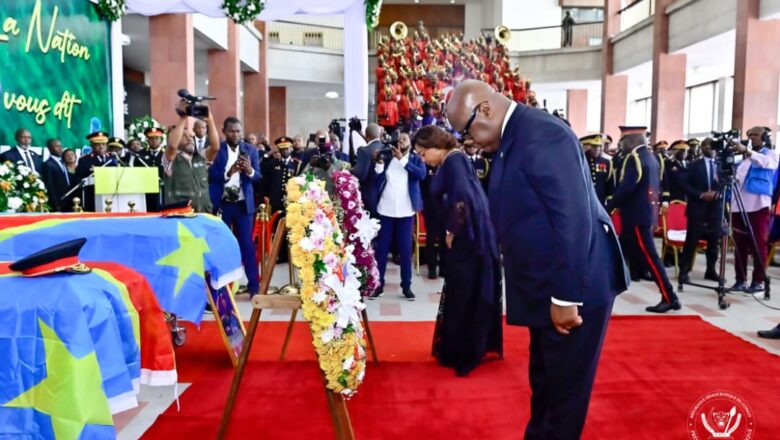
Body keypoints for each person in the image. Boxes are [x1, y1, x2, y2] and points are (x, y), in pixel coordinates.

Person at [446, 80, 627, 439]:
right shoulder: (517, 134)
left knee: (562, 397)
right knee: (545, 382)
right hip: (547, 281)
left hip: (574, 285)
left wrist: (565, 297)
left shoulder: (542, 135)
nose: (470, 142)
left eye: (467, 132)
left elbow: (573, 219)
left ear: (486, 109)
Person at [412, 125, 503, 376]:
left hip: (468, 240)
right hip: (471, 236)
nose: (422, 159)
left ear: (435, 146)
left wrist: (452, 229)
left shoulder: (454, 162)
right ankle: (461, 347)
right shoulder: (455, 159)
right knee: (462, 290)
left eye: (423, 154)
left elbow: (461, 197)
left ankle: (465, 351)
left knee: (465, 292)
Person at [606, 126, 680, 313]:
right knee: (615, 251)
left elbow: (627, 188)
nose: (620, 145)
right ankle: (605, 287)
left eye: (623, 141)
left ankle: (669, 297)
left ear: (632, 141)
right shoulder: (651, 157)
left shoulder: (636, 158)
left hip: (636, 217)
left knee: (650, 257)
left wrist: (607, 208)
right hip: (642, 215)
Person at [208, 116, 261, 297]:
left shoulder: (251, 150)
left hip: (243, 206)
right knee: (220, 246)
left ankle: (254, 288)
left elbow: (258, 176)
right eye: (232, 131)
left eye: (238, 131)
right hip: (222, 204)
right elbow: (211, 176)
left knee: (247, 246)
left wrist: (249, 170)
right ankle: (218, 290)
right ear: (224, 132)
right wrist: (228, 173)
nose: (236, 134)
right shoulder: (217, 150)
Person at [371, 132, 426, 301]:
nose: (401, 141)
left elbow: (421, 175)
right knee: (382, 249)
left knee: (405, 249)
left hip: (406, 211)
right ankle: (378, 284)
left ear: (410, 143)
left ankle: (406, 286)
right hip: (386, 209)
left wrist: (402, 159)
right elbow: (377, 178)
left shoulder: (415, 159)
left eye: (404, 139)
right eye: (399, 139)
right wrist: (379, 163)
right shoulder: (387, 156)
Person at [728, 126, 779, 294]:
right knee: (740, 245)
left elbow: (767, 164)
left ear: (765, 137)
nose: (752, 137)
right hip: (738, 205)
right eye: (749, 135)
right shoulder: (742, 157)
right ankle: (740, 280)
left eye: (755, 135)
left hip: (758, 205)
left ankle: (758, 281)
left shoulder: (770, 154)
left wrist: (747, 152)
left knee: (758, 244)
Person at [678, 138, 723, 284]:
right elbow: (683, 184)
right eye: (709, 147)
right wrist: (701, 195)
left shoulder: (721, 165)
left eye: (713, 148)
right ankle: (684, 271)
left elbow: (727, 185)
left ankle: (711, 270)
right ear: (702, 148)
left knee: (713, 243)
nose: (712, 150)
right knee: (691, 242)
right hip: (697, 208)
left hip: (715, 209)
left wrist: (717, 194)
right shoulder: (693, 165)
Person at [164, 101, 219, 213]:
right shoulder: (169, 159)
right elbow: (172, 146)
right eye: (184, 136)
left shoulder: (200, 156)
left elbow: (215, 147)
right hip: (181, 214)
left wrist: (210, 120)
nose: (190, 139)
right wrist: (183, 117)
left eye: (190, 136)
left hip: (204, 211)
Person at [351, 123, 384, 216]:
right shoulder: (386, 149)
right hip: (384, 195)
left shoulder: (364, 151)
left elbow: (360, 174)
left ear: (366, 134)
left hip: (368, 195)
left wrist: (348, 170)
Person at [76, 131, 113, 212]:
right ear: (92, 146)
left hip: (111, 195)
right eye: (97, 144)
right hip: (92, 197)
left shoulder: (112, 158)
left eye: (103, 144)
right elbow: (78, 179)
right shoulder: (84, 160)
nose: (101, 147)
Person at [581, 134, 613, 207]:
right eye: (594, 147)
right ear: (589, 147)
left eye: (599, 146)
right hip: (585, 199)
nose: (597, 149)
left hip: (600, 200)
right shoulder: (582, 161)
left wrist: (609, 201)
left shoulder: (607, 162)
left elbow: (610, 184)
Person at [41, 139, 70, 212]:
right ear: (50, 149)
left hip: (68, 201)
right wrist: (56, 204)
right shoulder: (48, 164)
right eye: (57, 146)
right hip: (58, 203)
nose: (60, 149)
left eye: (60, 146)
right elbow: (50, 186)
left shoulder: (63, 162)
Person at [661, 140, 689, 205]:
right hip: (673, 198)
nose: (683, 153)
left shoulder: (690, 164)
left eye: (685, 151)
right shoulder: (668, 164)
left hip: (687, 198)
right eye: (681, 151)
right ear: (675, 152)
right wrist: (665, 198)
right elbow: (666, 182)